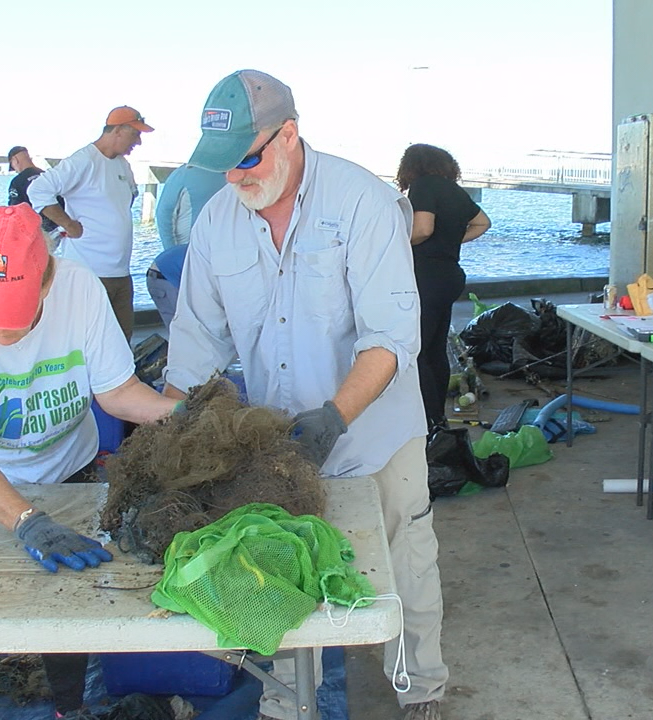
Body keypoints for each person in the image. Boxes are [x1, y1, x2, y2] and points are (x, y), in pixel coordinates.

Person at [164, 69, 447, 720]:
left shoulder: (362, 203)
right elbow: (196, 349)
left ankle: (419, 690)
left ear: (287, 135)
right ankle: (288, 706)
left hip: (377, 434)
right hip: (280, 440)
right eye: (221, 166)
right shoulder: (215, 225)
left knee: (403, 570)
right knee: (284, 574)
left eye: (243, 160)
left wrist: (333, 417)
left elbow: (392, 338)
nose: (233, 178)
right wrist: (173, 435)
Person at [0, 204, 177, 719]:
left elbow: (120, 393)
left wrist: (187, 415)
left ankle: (68, 709)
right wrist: (26, 521)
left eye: (14, 313)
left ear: (46, 281)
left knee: (72, 593)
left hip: (63, 466)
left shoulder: (80, 290)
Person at [28, 106, 154, 341]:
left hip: (121, 272)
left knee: (122, 342)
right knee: (89, 343)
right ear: (118, 130)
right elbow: (38, 190)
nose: (138, 142)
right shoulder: (83, 160)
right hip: (90, 271)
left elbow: (129, 197)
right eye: (135, 134)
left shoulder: (122, 165)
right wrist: (69, 225)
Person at [395, 144, 492, 430]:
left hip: (426, 277)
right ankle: (436, 418)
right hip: (449, 276)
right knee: (436, 350)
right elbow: (482, 222)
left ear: (411, 166)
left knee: (419, 351)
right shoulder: (453, 190)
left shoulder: (422, 185)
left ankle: (425, 422)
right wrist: (449, 242)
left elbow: (423, 229)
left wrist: (394, 243)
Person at [145, 165, 226, 337]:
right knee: (184, 334)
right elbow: (164, 214)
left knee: (196, 332)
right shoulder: (217, 254)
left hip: (170, 267)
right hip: (166, 276)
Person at [6, 146, 61, 235]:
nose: (15, 171)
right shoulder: (48, 176)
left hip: (37, 232)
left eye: (13, 166)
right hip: (59, 227)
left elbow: (15, 210)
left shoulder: (17, 182)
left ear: (15, 160)